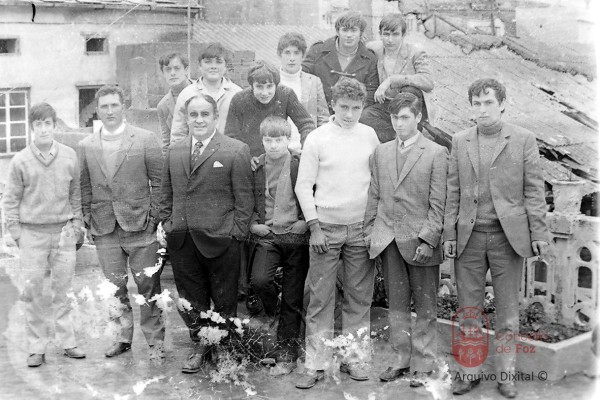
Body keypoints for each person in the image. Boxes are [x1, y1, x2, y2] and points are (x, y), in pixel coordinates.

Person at [443, 79, 549, 398]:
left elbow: (534, 191)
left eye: (489, 102)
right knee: (469, 310)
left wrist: (539, 232)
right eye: (476, 103)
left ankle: (506, 375)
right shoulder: (460, 140)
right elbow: (453, 191)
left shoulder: (523, 139)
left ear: (502, 104)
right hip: (469, 238)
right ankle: (470, 372)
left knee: (507, 312)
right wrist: (449, 233)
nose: (482, 109)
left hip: (507, 239)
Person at [294, 78, 379, 389]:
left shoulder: (369, 135)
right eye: (344, 107)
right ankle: (315, 363)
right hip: (325, 230)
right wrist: (314, 226)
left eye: (356, 108)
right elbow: (303, 186)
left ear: (362, 107)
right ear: (332, 104)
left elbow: (377, 182)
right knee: (320, 298)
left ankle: (354, 357)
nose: (349, 114)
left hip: (360, 229)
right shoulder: (317, 138)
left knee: (359, 298)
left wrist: (371, 225)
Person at [159, 94, 253, 374]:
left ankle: (222, 347)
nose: (199, 120)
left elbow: (244, 199)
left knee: (224, 299)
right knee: (191, 299)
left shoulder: (235, 150)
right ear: (186, 118)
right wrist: (168, 224)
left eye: (204, 114)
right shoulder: (175, 151)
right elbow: (165, 194)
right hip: (183, 240)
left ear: (215, 117)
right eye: (193, 115)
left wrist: (235, 235)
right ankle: (201, 345)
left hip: (221, 239)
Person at [363, 93, 448, 386]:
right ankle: (400, 359)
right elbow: (374, 195)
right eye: (394, 117)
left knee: (425, 306)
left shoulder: (436, 153)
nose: (399, 124)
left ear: (419, 117)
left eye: (405, 117)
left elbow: (439, 203)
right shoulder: (382, 152)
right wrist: (370, 232)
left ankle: (423, 364)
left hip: (421, 243)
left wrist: (429, 240)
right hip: (389, 240)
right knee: (397, 306)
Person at [78, 85, 165, 362]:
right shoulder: (86, 145)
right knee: (114, 287)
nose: (110, 111)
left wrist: (154, 218)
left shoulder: (145, 139)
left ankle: (155, 342)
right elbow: (84, 185)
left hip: (140, 225)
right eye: (104, 106)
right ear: (97, 110)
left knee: (148, 285)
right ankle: (122, 338)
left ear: (123, 107)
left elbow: (159, 182)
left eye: (114, 105)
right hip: (104, 227)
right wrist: (88, 219)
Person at [2, 103, 86, 367]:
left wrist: (76, 226)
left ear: (54, 125)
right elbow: (10, 200)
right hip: (32, 235)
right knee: (34, 293)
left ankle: (67, 342)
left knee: (63, 291)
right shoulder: (20, 160)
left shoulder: (69, 156)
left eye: (48, 123)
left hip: (63, 234)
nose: (43, 129)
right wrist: (17, 234)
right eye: (38, 124)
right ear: (32, 127)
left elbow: (75, 195)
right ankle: (36, 347)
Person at [248, 116, 310, 375]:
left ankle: (287, 352)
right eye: (268, 140)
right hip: (269, 236)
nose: (273, 145)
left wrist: (304, 220)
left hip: (294, 235)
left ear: (288, 140)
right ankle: (275, 311)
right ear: (262, 140)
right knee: (260, 280)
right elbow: (247, 197)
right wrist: (253, 223)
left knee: (293, 297)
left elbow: (311, 190)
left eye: (279, 140)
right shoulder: (256, 166)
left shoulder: (298, 163)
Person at [360, 13, 434, 143]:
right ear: (380, 34)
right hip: (387, 102)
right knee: (364, 117)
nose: (390, 40)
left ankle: (410, 132)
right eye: (386, 34)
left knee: (409, 90)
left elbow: (428, 82)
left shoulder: (416, 52)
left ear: (403, 35)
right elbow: (357, 48)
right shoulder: (374, 48)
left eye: (395, 34)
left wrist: (392, 80)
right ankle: (399, 139)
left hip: (410, 102)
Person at [224, 60, 316, 157]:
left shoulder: (286, 94)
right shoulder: (239, 99)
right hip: (250, 159)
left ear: (276, 85)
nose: (265, 93)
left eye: (269, 86)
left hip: (279, 156)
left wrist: (307, 149)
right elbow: (231, 137)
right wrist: (246, 158)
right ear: (251, 86)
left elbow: (306, 124)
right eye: (259, 87)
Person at [301, 11, 379, 115]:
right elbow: (302, 77)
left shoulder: (369, 58)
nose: (349, 35)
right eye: (345, 30)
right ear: (338, 31)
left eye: (354, 30)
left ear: (361, 33)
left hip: (352, 115)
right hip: (320, 113)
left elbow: (370, 93)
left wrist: (352, 114)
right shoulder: (318, 51)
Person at [170, 42, 242, 146]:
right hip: (196, 151)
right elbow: (178, 134)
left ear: (226, 66)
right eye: (208, 62)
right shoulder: (187, 94)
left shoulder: (237, 94)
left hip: (228, 151)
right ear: (200, 66)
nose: (213, 66)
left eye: (218, 62)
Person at [276, 32, 329, 149]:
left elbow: (323, 118)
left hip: (306, 147)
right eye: (287, 53)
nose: (292, 58)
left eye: (296, 53)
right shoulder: (272, 82)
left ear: (303, 56)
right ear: (279, 54)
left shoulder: (314, 82)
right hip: (278, 148)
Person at [157, 52, 192, 154]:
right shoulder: (163, 106)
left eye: (177, 68)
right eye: (168, 69)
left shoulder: (202, 91)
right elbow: (167, 142)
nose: (172, 73)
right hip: (182, 156)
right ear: (163, 73)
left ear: (186, 70)